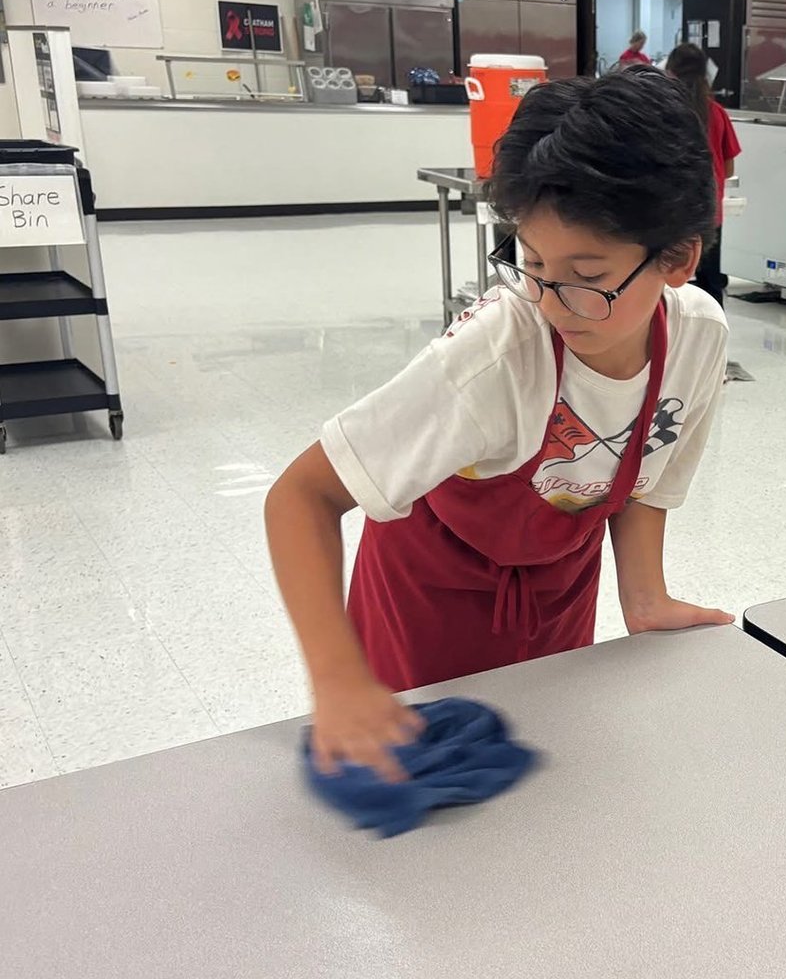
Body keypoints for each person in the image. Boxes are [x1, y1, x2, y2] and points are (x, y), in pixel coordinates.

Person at [265, 70, 732, 782]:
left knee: (541, 789)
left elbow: (644, 482)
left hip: (557, 591)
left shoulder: (698, 340)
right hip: (430, 596)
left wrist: (643, 598)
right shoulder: (495, 353)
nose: (552, 302)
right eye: (532, 263)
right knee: (426, 804)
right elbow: (300, 497)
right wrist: (337, 683)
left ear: (678, 258)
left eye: (585, 275)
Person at [666, 43, 741, 307]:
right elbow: (729, 168)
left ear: (670, 72)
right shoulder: (717, 113)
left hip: (669, 212)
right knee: (711, 283)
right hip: (709, 214)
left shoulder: (665, 112)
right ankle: (712, 338)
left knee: (668, 282)